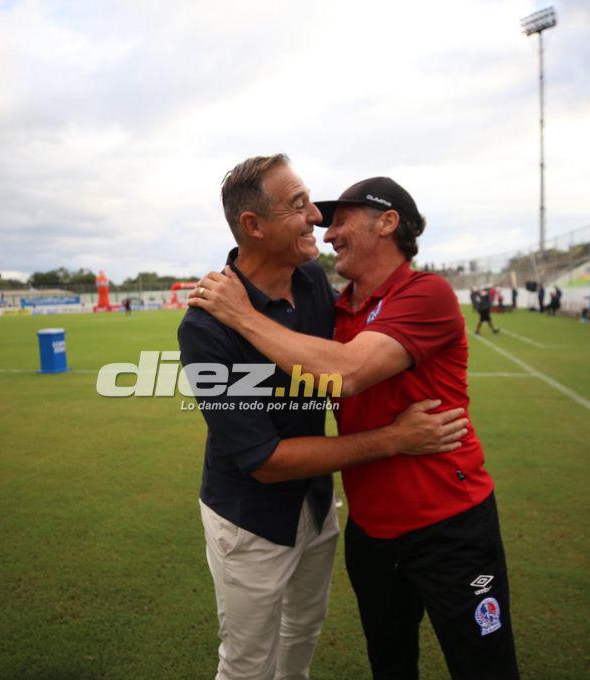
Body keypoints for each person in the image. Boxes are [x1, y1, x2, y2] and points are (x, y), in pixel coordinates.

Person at [191, 175, 520, 679]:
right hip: (368, 532)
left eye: (340, 219)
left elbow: (343, 373)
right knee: (388, 666)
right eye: (309, 211)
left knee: (485, 668)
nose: (325, 229)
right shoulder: (338, 306)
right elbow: (265, 452)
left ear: (388, 222)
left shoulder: (425, 292)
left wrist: (243, 315)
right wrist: (393, 439)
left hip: (449, 526)